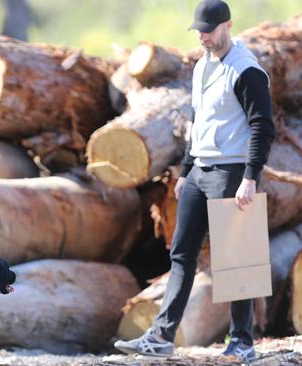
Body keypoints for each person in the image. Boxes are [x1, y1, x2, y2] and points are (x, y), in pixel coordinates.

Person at [114, 0, 275, 362]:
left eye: (209, 30)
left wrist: (250, 177)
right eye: (199, 30)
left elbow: (262, 127)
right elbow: (197, 120)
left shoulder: (246, 70)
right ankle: (161, 336)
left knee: (238, 257)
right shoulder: (202, 65)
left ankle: (242, 342)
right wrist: (186, 172)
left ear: (227, 25)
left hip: (233, 172)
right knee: (181, 255)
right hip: (200, 171)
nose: (203, 36)